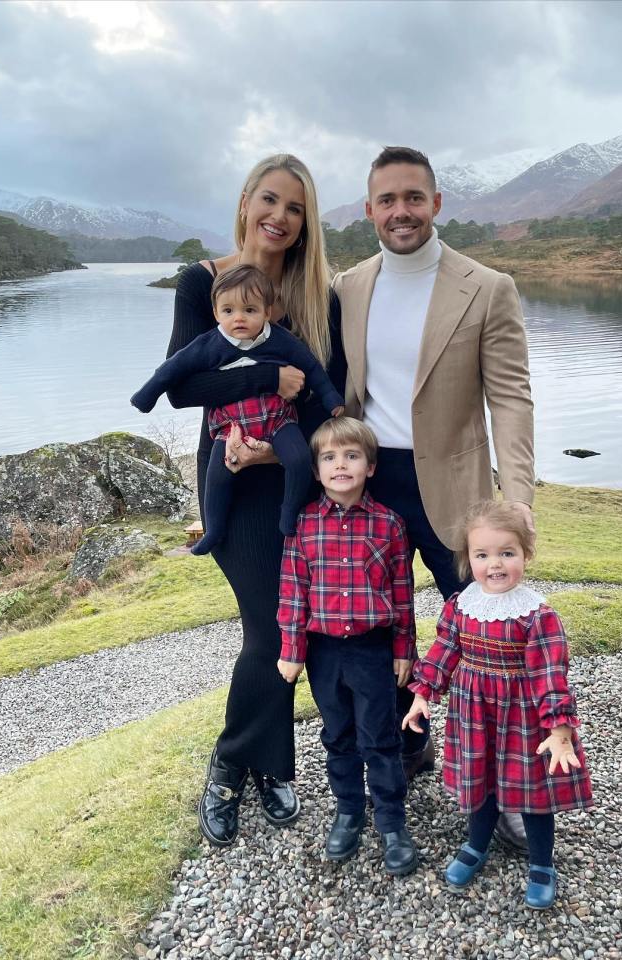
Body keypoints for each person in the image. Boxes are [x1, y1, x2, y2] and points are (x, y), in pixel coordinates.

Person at [332, 145, 535, 847]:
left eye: (413, 197)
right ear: (368, 212)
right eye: (386, 200)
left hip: (454, 489)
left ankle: (507, 786)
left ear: (436, 203)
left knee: (485, 638)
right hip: (367, 492)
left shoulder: (486, 287)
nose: (400, 211)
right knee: (374, 632)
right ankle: (404, 749)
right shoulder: (348, 286)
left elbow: (509, 397)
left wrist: (519, 494)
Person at [162, 154, 345, 847]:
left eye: (295, 208)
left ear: (305, 223)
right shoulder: (201, 284)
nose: (279, 216)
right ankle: (232, 763)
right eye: (270, 199)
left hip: (295, 477)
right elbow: (183, 386)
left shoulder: (317, 299)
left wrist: (280, 444)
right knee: (270, 630)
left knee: (289, 628)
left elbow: (335, 401)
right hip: (233, 482)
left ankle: (266, 765)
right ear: (245, 202)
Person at [402, 501, 594, 909]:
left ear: (526, 555)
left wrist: (560, 732)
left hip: (522, 716)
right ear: (468, 557)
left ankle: (542, 863)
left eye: (507, 553)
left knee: (530, 790)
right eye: (482, 554)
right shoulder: (461, 605)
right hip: (473, 712)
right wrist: (422, 694)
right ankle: (476, 844)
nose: (495, 564)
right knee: (480, 780)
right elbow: (443, 651)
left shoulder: (537, 616)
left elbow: (550, 676)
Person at [276, 417, 419, 876]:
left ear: (370, 467)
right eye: (330, 458)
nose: (341, 465)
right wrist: (292, 648)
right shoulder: (303, 525)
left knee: (380, 736)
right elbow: (293, 591)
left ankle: (392, 823)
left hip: (372, 649)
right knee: (337, 735)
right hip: (323, 653)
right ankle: (348, 811)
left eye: (352, 456)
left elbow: (402, 592)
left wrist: (404, 649)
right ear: (316, 471)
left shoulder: (390, 525)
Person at [131, 264, 344, 554]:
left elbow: (312, 368)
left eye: (250, 310)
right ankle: (214, 530)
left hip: (278, 421)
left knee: (298, 459)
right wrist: (147, 395)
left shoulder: (279, 339)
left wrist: (331, 398)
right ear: (216, 313)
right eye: (228, 311)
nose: (239, 318)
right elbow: (173, 369)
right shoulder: (210, 344)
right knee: (218, 476)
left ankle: (288, 513)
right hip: (233, 426)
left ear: (267, 312)